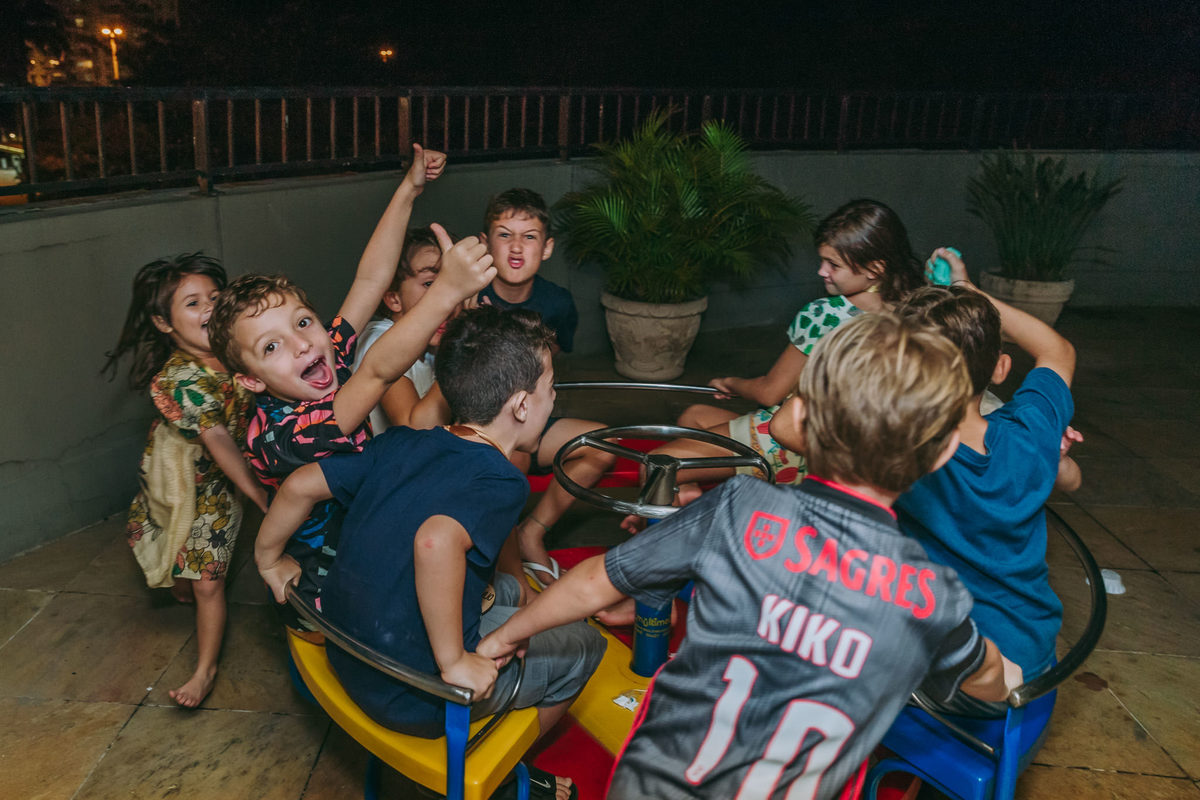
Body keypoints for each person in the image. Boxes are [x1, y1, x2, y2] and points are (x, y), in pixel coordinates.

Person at [478, 312, 1023, 800]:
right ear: (943, 449)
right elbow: (989, 680)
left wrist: (506, 635)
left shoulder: (740, 506)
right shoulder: (932, 595)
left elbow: (598, 579)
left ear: (802, 418)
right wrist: (1008, 676)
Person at [257, 306, 604, 800]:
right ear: (523, 406)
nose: (553, 401)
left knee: (505, 589)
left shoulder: (400, 442)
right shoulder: (502, 478)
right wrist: (455, 662)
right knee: (584, 649)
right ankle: (505, 779)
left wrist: (268, 559)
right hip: (415, 697)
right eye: (551, 390)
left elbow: (299, 485)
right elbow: (435, 541)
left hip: (351, 659)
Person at [208, 146, 496, 614]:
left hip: (370, 520)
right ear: (252, 381)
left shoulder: (327, 352)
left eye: (303, 322)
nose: (302, 344)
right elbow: (378, 371)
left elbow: (369, 280)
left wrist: (409, 189)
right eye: (271, 347)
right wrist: (446, 293)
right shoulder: (280, 436)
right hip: (328, 567)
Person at [893, 251, 1079, 716]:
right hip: (1034, 664)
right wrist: (974, 295)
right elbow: (1057, 349)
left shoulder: (900, 452)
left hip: (953, 680)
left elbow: (789, 428)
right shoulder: (1033, 431)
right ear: (999, 369)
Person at [104, 253, 270, 708]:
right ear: (163, 322)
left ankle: (205, 669)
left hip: (217, 487)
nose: (211, 309)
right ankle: (183, 578)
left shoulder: (239, 349)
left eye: (215, 298)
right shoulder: (179, 378)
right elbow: (216, 438)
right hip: (175, 477)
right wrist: (260, 494)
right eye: (193, 303)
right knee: (177, 552)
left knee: (207, 584)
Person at [477, 187, 616, 587]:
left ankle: (531, 532)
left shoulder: (557, 302)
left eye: (530, 236)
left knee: (601, 445)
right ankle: (508, 573)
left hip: (532, 421)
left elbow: (550, 360)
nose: (516, 247)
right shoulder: (467, 297)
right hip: (481, 427)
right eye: (504, 235)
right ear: (486, 243)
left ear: (548, 247)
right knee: (512, 462)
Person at [351, 226, 452, 433]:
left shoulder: (433, 351)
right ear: (394, 299)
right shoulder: (380, 338)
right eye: (430, 283)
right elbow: (416, 429)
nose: (448, 299)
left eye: (452, 284)